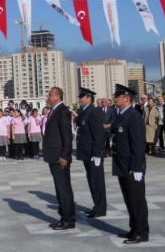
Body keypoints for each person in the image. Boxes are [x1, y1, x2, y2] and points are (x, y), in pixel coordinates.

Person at [111, 84, 149, 244]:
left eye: (117, 96)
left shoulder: (133, 116)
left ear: (126, 98)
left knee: (137, 200)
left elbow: (138, 144)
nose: (115, 98)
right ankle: (134, 228)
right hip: (122, 164)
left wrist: (137, 167)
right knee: (129, 199)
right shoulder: (121, 115)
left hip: (131, 166)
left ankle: (141, 232)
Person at [43, 87, 76, 230]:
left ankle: (68, 220)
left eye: (50, 95)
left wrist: (64, 155)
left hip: (59, 157)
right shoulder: (55, 111)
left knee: (63, 189)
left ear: (57, 96)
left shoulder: (62, 111)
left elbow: (67, 136)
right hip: (53, 156)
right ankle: (64, 216)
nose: (48, 97)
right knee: (59, 188)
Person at [75, 87, 107, 218]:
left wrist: (97, 153)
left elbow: (98, 135)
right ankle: (97, 206)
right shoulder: (84, 111)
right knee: (92, 180)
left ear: (89, 98)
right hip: (86, 152)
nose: (80, 98)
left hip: (93, 154)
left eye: (82, 96)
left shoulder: (94, 112)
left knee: (97, 181)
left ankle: (100, 208)